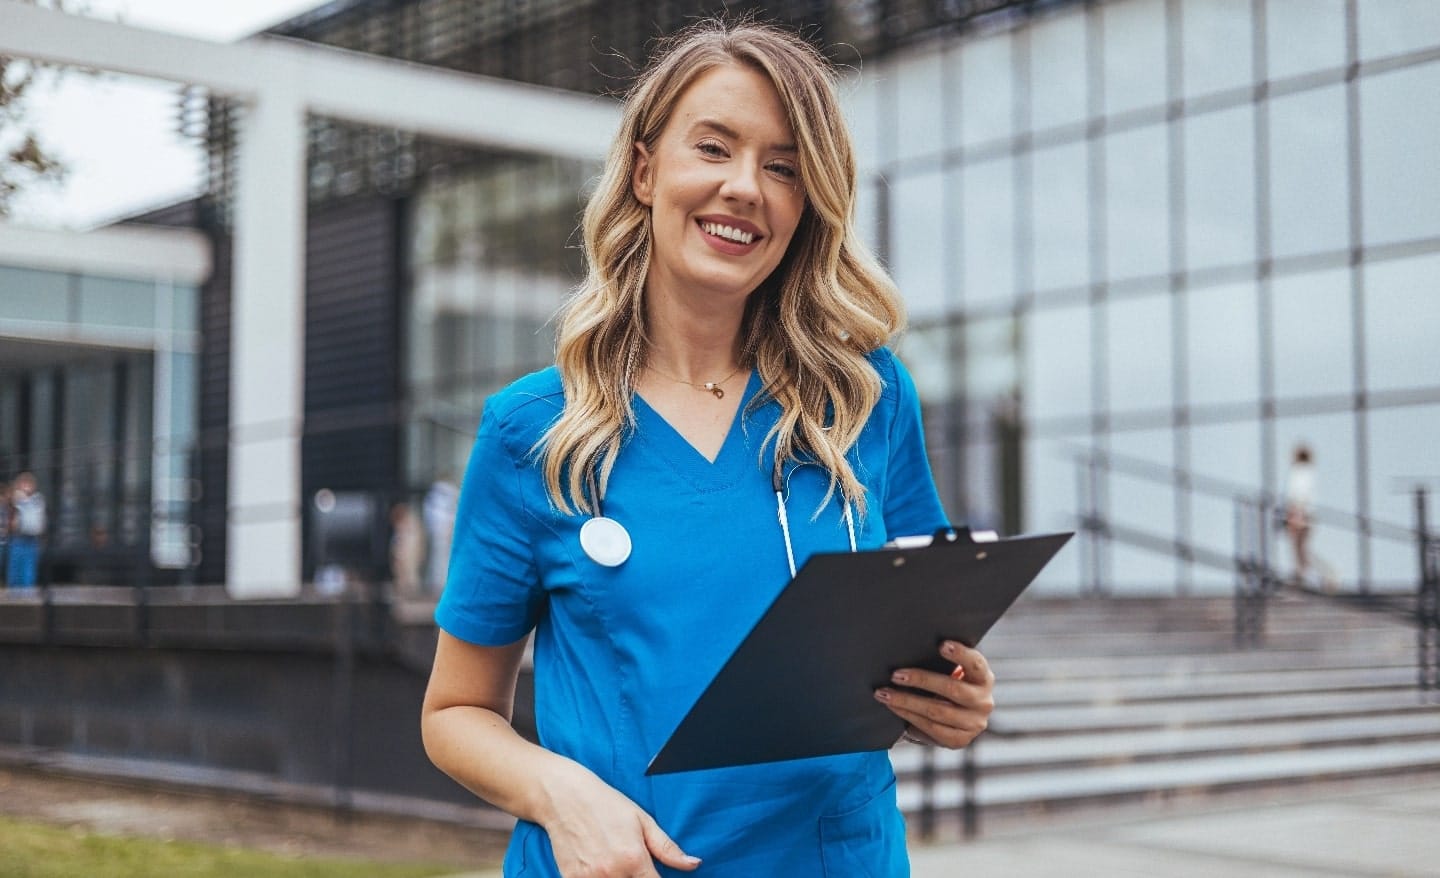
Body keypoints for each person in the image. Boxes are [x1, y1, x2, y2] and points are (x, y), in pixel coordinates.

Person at [421, 20, 995, 878]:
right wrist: (558, 794)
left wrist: (948, 702)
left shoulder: (866, 399)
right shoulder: (533, 432)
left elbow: (916, 643)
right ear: (647, 171)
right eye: (714, 148)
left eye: (783, 167)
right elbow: (455, 711)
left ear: (808, 204)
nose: (744, 187)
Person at [1283, 443, 1317, 588]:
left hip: (1300, 513)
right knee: (1300, 547)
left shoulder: (1299, 471)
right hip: (1304, 513)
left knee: (1298, 546)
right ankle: (1302, 573)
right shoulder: (1308, 471)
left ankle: (1302, 573)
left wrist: (1297, 514)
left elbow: (1299, 494)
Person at [7, 472, 46, 588]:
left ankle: (27, 596)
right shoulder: (16, 498)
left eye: (28, 484)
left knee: (28, 570)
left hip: (32, 539)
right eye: (23, 484)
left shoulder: (37, 500)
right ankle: (13, 596)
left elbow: (40, 520)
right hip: (18, 538)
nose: (26, 487)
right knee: (15, 569)